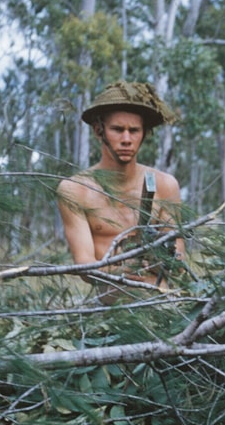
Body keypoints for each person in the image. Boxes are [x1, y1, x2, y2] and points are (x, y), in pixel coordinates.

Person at [57, 81, 185, 301]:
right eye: (117, 130)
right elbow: (84, 264)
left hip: (166, 305)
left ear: (144, 134)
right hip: (112, 310)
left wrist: (159, 262)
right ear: (99, 131)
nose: (126, 139)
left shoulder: (165, 185)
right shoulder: (75, 190)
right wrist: (116, 272)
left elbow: (179, 262)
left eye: (134, 131)